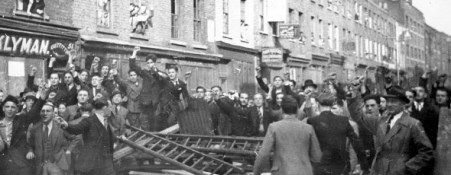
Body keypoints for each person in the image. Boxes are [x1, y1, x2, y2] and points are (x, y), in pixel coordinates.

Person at [347, 85, 434, 175]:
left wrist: (408, 167)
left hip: (398, 171)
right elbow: (359, 116)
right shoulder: (381, 121)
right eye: (388, 101)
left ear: (403, 103)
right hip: (378, 170)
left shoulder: (412, 124)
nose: (389, 104)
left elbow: (427, 152)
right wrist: (354, 94)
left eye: (394, 101)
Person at [253, 95, 322, 175]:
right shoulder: (308, 128)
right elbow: (317, 157)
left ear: (282, 110)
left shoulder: (274, 127)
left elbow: (263, 154)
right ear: (297, 110)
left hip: (281, 171)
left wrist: (256, 172)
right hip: (304, 171)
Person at [307, 93, 369, 175]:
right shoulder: (343, 121)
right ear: (332, 104)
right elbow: (356, 143)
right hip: (341, 165)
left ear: (318, 104)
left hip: (320, 166)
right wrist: (364, 165)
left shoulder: (312, 121)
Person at [56, 98, 116, 175]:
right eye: (110, 107)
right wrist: (67, 125)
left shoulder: (106, 121)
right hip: (92, 162)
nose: (111, 110)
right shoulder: (89, 121)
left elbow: (108, 137)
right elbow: (77, 129)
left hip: (106, 162)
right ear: (104, 108)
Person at [0, 87, 47, 175]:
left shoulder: (21, 119)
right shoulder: (0, 123)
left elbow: (33, 112)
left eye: (13, 107)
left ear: (17, 109)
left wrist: (41, 99)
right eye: (7, 107)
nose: (10, 109)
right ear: (3, 109)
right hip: (4, 164)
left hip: (20, 162)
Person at [27, 101, 79, 175]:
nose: (45, 113)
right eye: (43, 111)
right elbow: (30, 143)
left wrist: (68, 151)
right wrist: (30, 151)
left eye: (48, 111)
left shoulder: (60, 126)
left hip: (57, 164)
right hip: (41, 165)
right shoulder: (35, 128)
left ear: (53, 114)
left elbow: (76, 138)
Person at [129, 46, 168, 131]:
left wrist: (155, 72)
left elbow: (164, 81)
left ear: (154, 63)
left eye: (151, 62)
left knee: (156, 122)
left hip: (156, 102)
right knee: (145, 122)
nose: (149, 64)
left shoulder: (161, 73)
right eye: (148, 63)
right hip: (145, 102)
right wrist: (134, 52)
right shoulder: (145, 73)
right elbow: (133, 66)